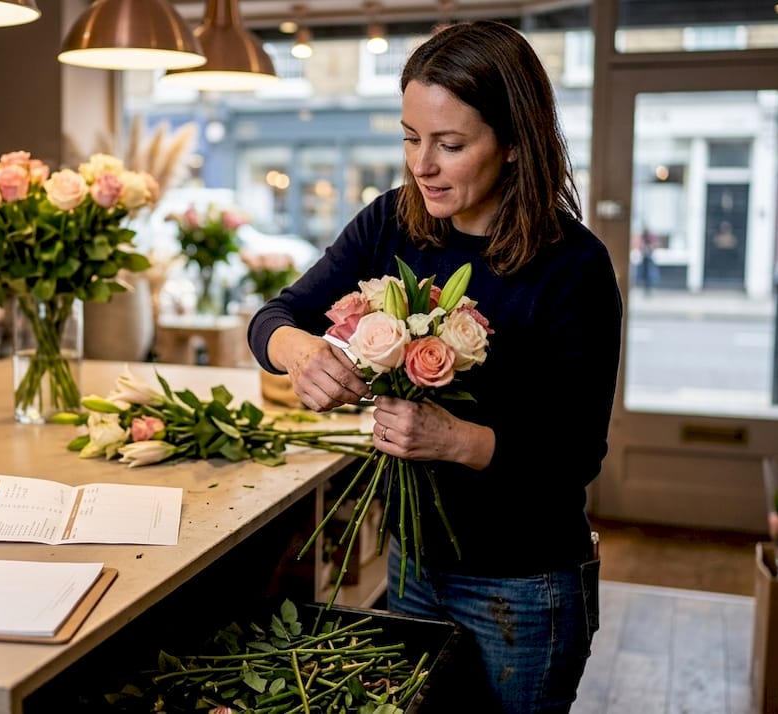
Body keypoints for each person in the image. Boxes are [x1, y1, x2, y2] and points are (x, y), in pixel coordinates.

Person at [247, 21, 622, 713]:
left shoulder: (574, 267)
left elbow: (576, 454)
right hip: (412, 564)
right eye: (410, 138)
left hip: (524, 585)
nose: (422, 165)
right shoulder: (391, 222)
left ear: (515, 143)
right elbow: (274, 316)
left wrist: (454, 440)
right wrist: (302, 354)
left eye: (449, 145)